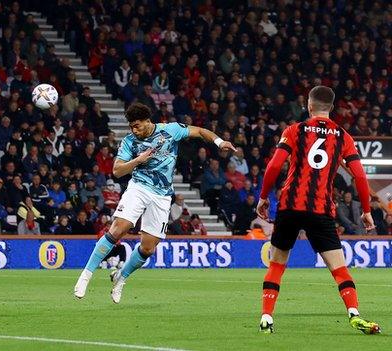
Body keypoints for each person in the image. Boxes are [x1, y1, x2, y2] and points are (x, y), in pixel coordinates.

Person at [74, 102, 235, 302]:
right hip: (139, 187)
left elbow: (201, 131)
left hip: (162, 195)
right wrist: (137, 161)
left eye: (137, 126)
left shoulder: (170, 131)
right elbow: (117, 170)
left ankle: (120, 277)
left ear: (148, 121)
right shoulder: (129, 141)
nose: (134, 130)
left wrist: (220, 142)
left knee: (148, 248)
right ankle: (85, 275)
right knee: (119, 228)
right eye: (131, 126)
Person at [256, 86, 379, 334]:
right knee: (338, 267)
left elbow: (273, 166)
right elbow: (359, 176)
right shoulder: (344, 137)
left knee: (278, 263)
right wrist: (366, 210)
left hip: (291, 205)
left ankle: (267, 317)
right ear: (331, 108)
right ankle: (354, 313)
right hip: (320, 208)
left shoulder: (293, 131)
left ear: (309, 106)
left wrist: (263, 197)